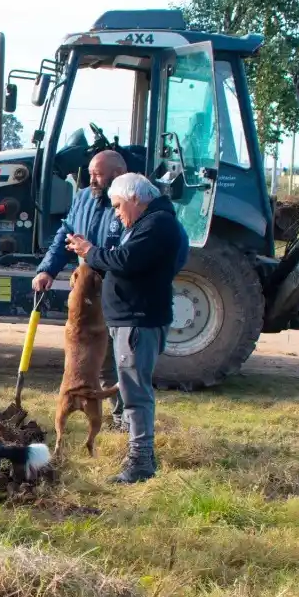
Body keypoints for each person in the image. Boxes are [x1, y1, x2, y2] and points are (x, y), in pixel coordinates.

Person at [66, 172, 188, 484]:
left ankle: (141, 461)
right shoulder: (152, 223)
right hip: (134, 318)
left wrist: (90, 253)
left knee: (135, 392)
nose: (117, 214)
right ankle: (139, 453)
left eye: (119, 206)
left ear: (135, 199)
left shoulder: (157, 225)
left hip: (138, 321)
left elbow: (124, 260)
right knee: (132, 387)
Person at [33, 149, 128, 423]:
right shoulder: (84, 197)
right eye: (90, 174)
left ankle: (125, 418)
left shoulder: (128, 203)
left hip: (115, 289)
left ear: (117, 175)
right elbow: (65, 235)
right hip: (85, 294)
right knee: (93, 358)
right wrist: (47, 270)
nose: (92, 180)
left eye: (98, 174)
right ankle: (117, 413)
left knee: (116, 356)